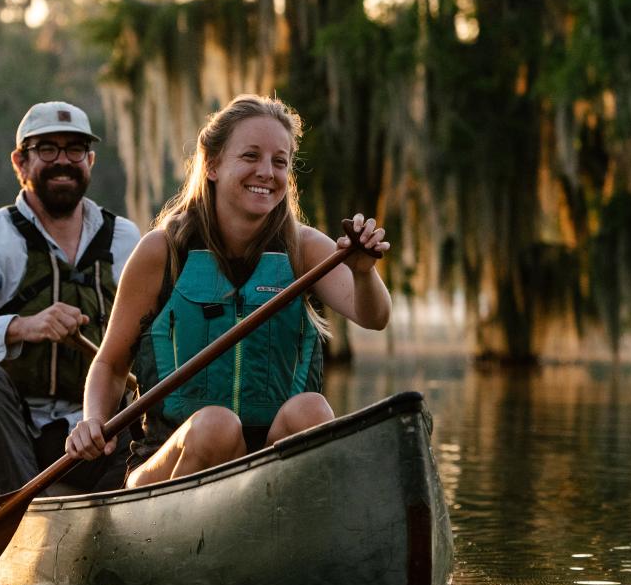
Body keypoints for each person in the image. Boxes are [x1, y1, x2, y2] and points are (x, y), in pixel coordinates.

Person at [64, 94, 390, 488]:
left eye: (279, 161)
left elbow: (375, 317)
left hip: (269, 461)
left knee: (311, 410)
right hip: (169, 458)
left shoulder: (303, 248)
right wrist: (93, 421)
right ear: (213, 164)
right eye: (250, 156)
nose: (266, 172)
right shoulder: (162, 251)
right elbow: (110, 364)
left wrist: (362, 273)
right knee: (215, 425)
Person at [0, 101, 141, 494]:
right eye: (47, 149)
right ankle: (22, 508)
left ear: (90, 160)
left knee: (138, 407)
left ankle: (123, 508)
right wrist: (22, 327)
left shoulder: (125, 239)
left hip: (86, 437)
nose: (62, 161)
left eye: (74, 150)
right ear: (20, 162)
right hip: (2, 432)